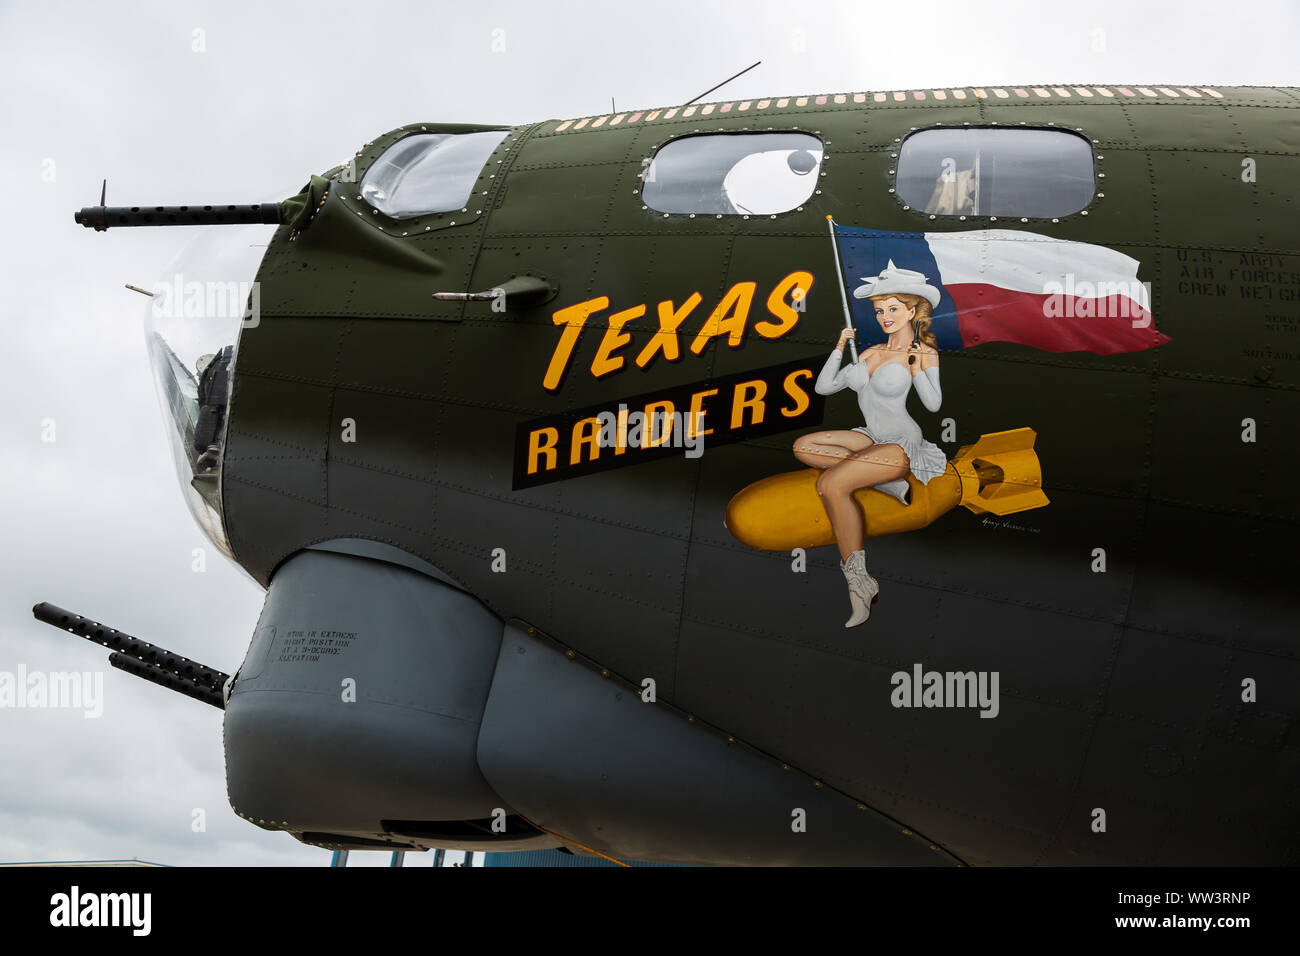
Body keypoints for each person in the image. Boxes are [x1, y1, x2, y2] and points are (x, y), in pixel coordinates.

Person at [792, 262, 946, 627]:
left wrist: (915, 365)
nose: (884, 316)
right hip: (870, 435)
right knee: (804, 446)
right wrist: (839, 347)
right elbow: (823, 388)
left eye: (893, 308)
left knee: (831, 484)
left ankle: (860, 582)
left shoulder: (923, 352)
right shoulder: (870, 352)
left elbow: (934, 404)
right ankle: (883, 481)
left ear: (912, 309)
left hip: (900, 443)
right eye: (879, 310)